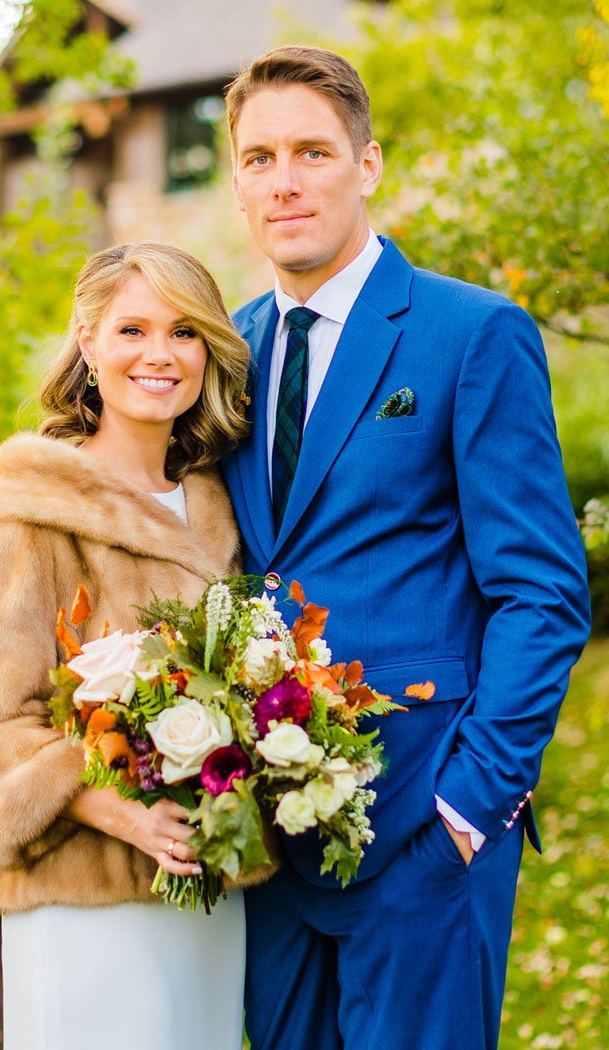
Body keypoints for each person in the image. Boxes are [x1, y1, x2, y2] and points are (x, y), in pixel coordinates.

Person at [221, 45, 591, 1050]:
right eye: (258, 159)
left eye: (311, 151)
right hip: (269, 846)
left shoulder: (470, 333)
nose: (284, 181)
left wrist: (472, 804)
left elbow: (542, 592)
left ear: (368, 164)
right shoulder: (224, 351)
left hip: (427, 825)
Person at [0, 242, 269, 1050]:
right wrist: (123, 814)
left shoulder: (222, 509)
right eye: (132, 330)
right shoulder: (33, 511)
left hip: (206, 900)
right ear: (87, 341)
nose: (161, 354)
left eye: (185, 332)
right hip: (83, 904)